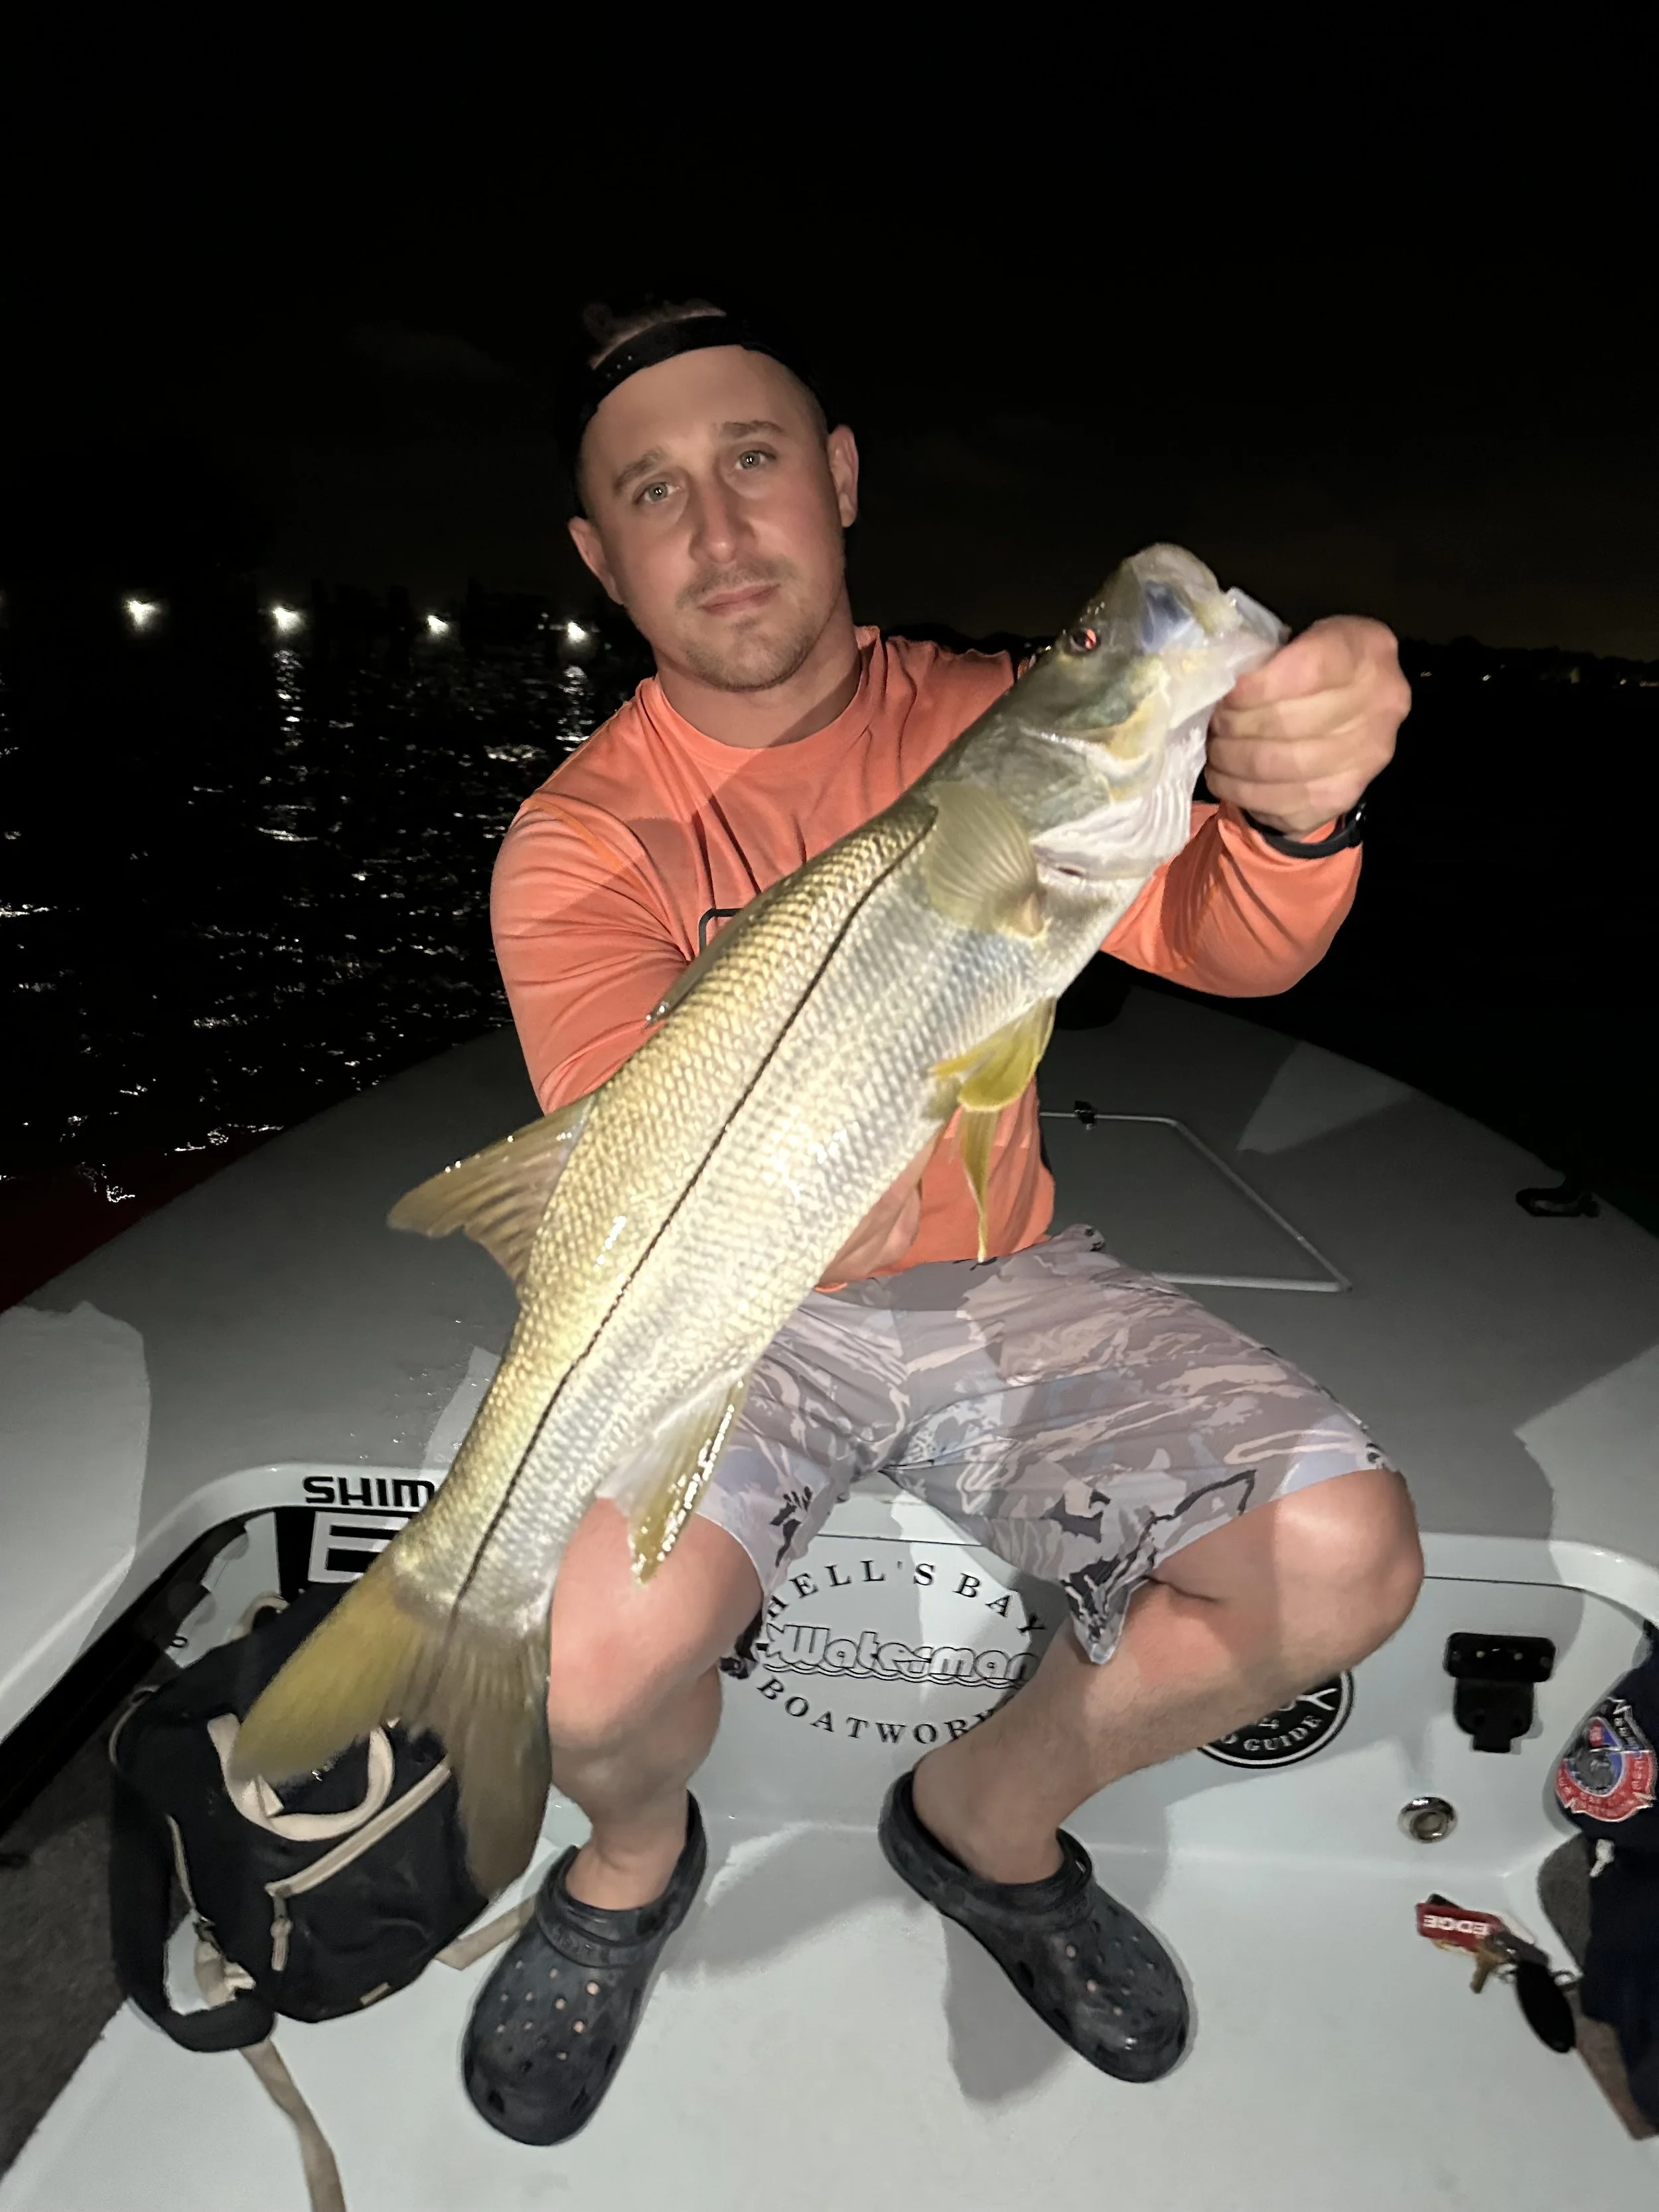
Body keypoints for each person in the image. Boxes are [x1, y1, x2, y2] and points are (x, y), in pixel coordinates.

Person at [465, 299, 1421, 2144]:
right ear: (600, 557)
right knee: (585, 1663)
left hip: (1007, 1278)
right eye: (654, 491)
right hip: (744, 1309)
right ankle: (632, 1857)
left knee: (1342, 1561)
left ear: (837, 479)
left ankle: (983, 1820)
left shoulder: (991, 720)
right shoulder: (579, 842)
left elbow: (1225, 931)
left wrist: (1300, 805)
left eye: (753, 458)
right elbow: (644, 1181)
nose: (717, 524)